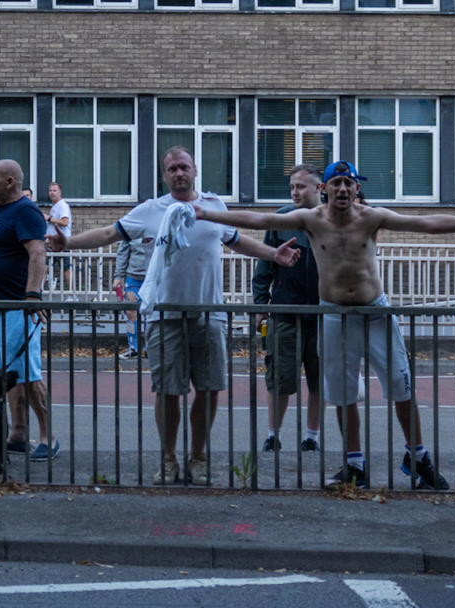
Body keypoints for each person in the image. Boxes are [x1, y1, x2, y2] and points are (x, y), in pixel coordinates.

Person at [194, 161, 455, 489]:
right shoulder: (309, 219)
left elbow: (427, 222)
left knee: (402, 385)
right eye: (336, 183)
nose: (342, 189)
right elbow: (258, 218)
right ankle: (355, 465)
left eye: (348, 183)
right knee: (342, 394)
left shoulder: (372, 217)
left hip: (375, 312)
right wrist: (206, 213)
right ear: (324, 189)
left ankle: (418, 456)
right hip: (335, 313)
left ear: (356, 188)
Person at [48, 146, 300, 486]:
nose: (179, 173)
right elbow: (110, 234)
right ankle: (168, 459)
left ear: (195, 170)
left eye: (184, 167)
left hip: (208, 313)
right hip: (163, 316)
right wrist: (70, 244)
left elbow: (238, 241)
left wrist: (275, 254)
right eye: (172, 169)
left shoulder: (214, 207)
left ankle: (198, 457)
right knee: (168, 390)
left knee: (209, 389)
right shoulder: (150, 211)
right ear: (164, 176)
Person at [251, 164, 358, 458]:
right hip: (285, 312)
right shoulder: (281, 219)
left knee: (318, 379)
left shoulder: (334, 220)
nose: (295, 192)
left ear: (318, 189)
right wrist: (261, 305)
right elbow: (265, 267)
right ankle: (273, 436)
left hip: (326, 314)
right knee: (280, 379)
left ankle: (312, 437)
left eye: (300, 187)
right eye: (292, 188)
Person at [0, 159, 59, 462]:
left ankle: (48, 436)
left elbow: (37, 252)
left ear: (9, 181)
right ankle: (18, 432)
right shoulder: (0, 214)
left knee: (28, 373)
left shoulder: (25, 210)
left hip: (16, 308)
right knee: (4, 376)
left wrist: (32, 295)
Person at [113, 239, 146, 359]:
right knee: (130, 312)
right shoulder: (132, 227)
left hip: (154, 277)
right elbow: (123, 253)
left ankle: (151, 348)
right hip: (134, 277)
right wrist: (118, 276)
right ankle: (134, 347)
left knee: (153, 313)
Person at [44, 182, 72, 293]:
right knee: (44, 268)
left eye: (54, 191)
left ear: (59, 192)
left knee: (66, 269)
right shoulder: (54, 206)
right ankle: (39, 294)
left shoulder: (63, 205)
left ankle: (72, 295)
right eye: (50, 190)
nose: (52, 193)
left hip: (61, 243)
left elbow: (65, 222)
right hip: (51, 243)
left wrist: (49, 219)